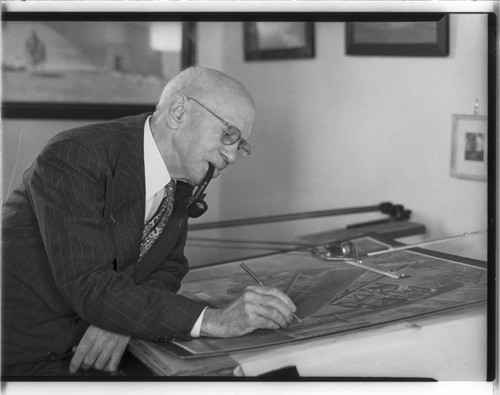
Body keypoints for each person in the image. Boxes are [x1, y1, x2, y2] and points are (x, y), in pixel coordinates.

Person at [2, 66, 297, 377]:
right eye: (229, 134)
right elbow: (89, 284)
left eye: (240, 145)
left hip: (84, 357)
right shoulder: (75, 155)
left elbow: (169, 267)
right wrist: (216, 320)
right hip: (18, 358)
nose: (233, 156)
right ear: (178, 112)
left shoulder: (181, 179)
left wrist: (120, 322)